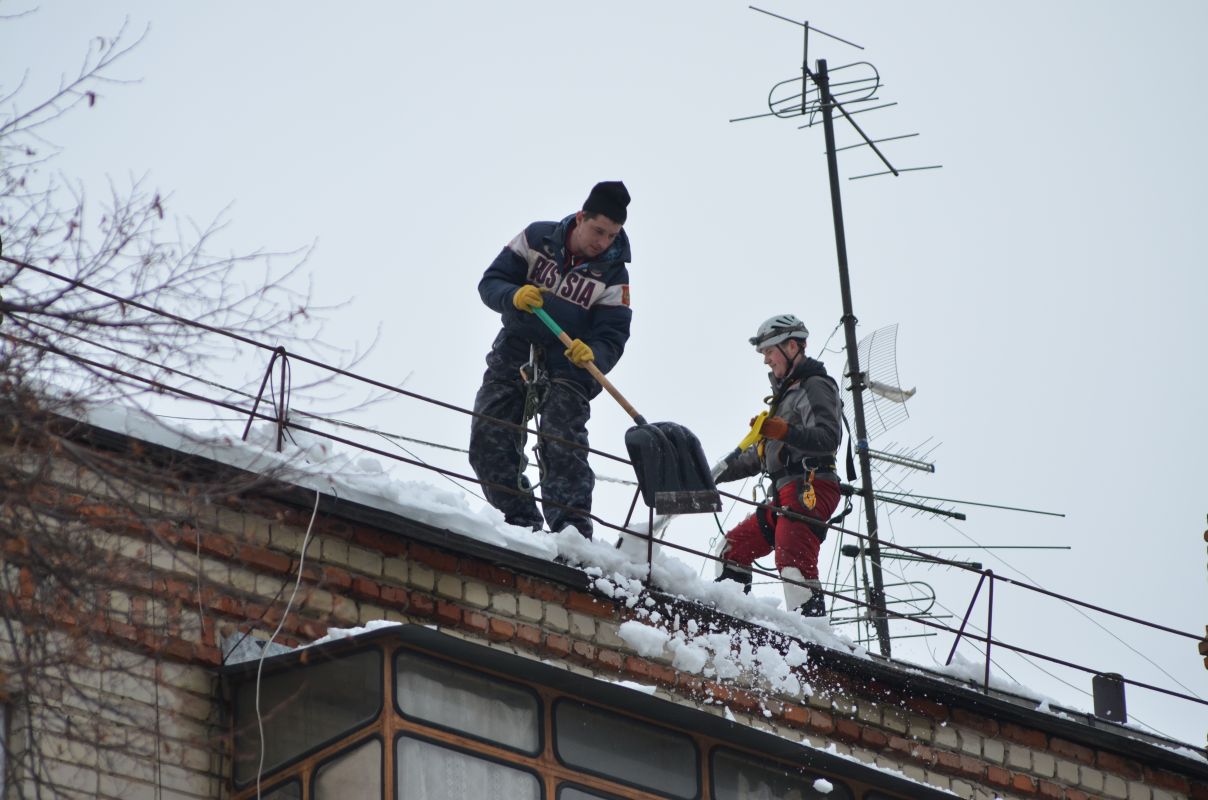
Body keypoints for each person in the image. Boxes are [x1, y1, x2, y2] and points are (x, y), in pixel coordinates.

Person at [468, 181, 633, 540]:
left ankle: (571, 535)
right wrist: (512, 295)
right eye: (598, 231)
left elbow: (613, 335)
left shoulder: (615, 274)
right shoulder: (535, 238)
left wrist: (595, 354)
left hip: (571, 364)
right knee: (488, 434)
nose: (603, 242)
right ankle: (518, 521)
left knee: (563, 444)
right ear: (580, 218)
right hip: (516, 347)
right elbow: (491, 282)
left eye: (612, 235)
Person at [715, 314, 843, 618]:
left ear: (792, 346)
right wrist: (713, 476)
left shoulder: (815, 384)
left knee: (793, 554)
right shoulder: (785, 396)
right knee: (733, 548)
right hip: (785, 492)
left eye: (769, 351)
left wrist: (784, 431)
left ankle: (813, 639)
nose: (766, 361)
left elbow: (829, 437)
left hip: (811, 485)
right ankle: (731, 619)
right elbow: (761, 455)